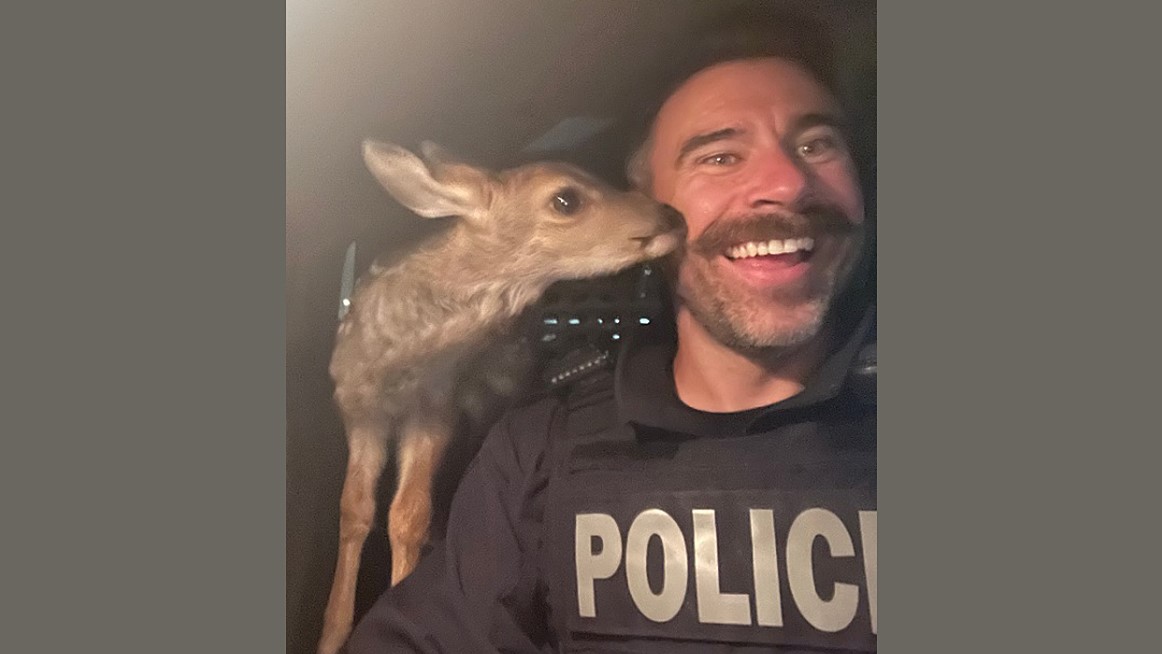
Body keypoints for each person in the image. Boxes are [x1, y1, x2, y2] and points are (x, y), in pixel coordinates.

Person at [345, 8, 876, 653]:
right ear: (651, 204)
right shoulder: (537, 452)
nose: (788, 183)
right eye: (719, 155)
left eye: (818, 144)